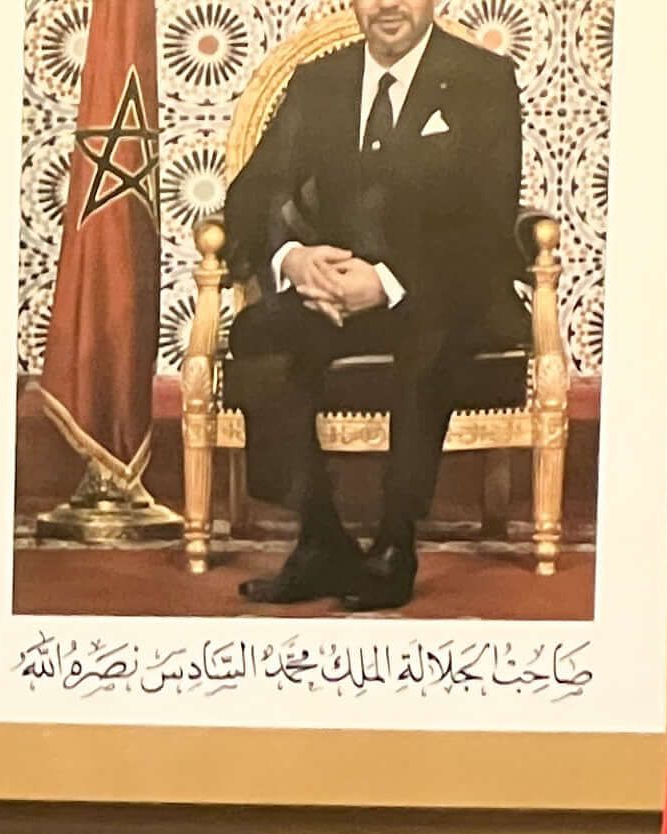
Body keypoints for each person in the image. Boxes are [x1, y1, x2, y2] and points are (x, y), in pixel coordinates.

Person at [216, 0, 526, 612]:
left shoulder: (482, 80)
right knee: (260, 333)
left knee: (426, 333)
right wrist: (295, 261)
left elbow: (489, 223)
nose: (388, 5)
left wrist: (385, 281)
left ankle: (394, 542)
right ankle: (320, 539)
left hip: (444, 289)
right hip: (333, 286)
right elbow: (251, 195)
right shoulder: (320, 83)